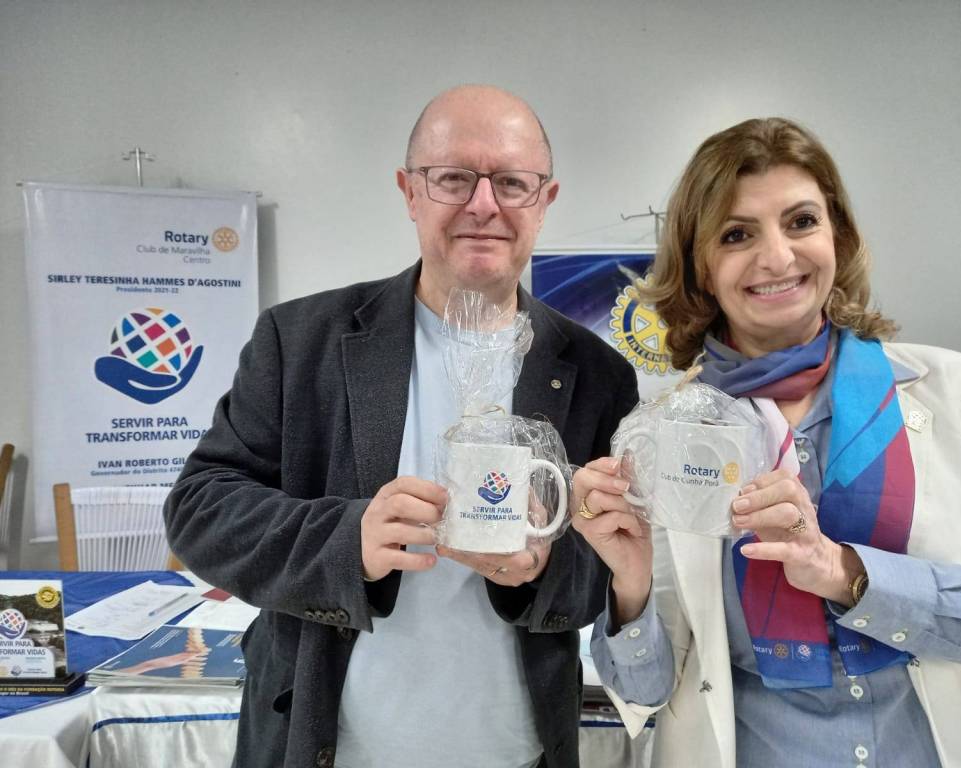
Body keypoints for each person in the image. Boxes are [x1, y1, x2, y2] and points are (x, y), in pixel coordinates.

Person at [164, 85, 639, 768]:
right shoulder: (301, 341)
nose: (484, 204)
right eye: (453, 178)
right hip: (325, 751)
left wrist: (545, 568)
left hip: (518, 754)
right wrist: (347, 539)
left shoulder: (597, 373)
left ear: (544, 200)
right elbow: (200, 510)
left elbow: (609, 563)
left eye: (512, 182)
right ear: (409, 191)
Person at [572, 117, 961, 767]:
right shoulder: (664, 436)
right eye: (737, 234)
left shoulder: (958, 392)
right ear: (701, 267)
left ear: (837, 235)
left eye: (802, 222)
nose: (779, 257)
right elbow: (644, 696)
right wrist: (631, 587)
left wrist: (846, 573)